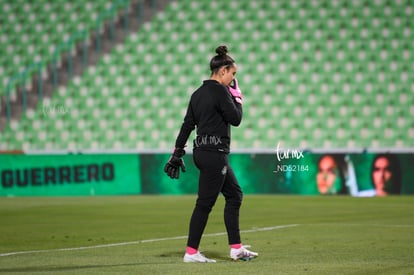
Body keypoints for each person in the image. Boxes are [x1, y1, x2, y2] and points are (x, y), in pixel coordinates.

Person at [164, 45, 258, 263]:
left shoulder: (197, 94)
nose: (233, 78)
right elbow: (236, 119)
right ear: (223, 70)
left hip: (203, 152)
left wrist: (176, 153)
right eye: (233, 73)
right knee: (205, 204)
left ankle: (236, 248)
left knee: (234, 195)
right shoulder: (221, 91)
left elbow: (187, 126)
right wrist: (237, 97)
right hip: (215, 154)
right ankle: (191, 252)